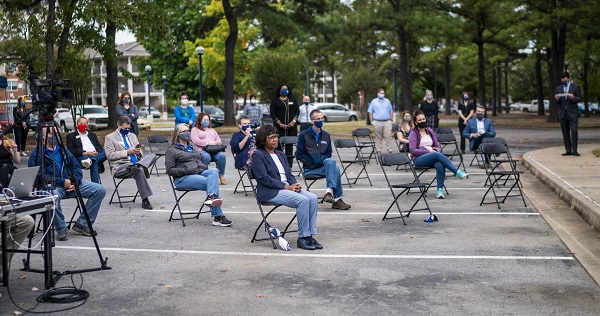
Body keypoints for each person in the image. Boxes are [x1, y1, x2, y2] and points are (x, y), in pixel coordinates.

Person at [250, 124, 321, 251]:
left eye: (276, 136)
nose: (275, 139)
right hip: (270, 192)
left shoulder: (280, 154)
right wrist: (286, 187)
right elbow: (263, 179)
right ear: (263, 139)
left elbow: (289, 174)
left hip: (287, 188)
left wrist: (295, 185)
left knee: (313, 198)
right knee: (302, 200)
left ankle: (310, 235)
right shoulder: (258, 155)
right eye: (271, 137)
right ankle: (303, 237)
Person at [28, 126, 106, 241]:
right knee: (53, 196)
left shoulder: (62, 149)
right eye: (51, 134)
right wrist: (62, 182)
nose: (55, 136)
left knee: (99, 190)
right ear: (44, 136)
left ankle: (83, 224)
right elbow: (38, 174)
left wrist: (74, 181)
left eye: (57, 133)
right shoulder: (38, 153)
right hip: (53, 186)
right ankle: (61, 228)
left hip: (71, 184)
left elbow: (76, 166)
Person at [165, 123, 232, 227]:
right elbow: (169, 170)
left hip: (199, 172)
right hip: (182, 178)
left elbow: (202, 161)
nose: (187, 133)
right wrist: (185, 170)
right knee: (210, 182)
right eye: (184, 131)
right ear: (178, 134)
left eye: (188, 130)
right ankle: (218, 216)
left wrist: (202, 167)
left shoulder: (193, 146)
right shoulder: (172, 150)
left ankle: (211, 197)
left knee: (214, 171)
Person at [296, 109, 351, 210]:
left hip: (324, 167)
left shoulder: (326, 135)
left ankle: (329, 193)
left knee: (330, 162)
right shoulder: (303, 135)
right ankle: (336, 199)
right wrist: (312, 162)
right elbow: (299, 154)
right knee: (336, 169)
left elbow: (328, 153)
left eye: (322, 118)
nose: (321, 120)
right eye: (318, 119)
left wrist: (321, 160)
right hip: (310, 169)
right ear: (312, 121)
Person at [409, 111, 468, 199]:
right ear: (416, 122)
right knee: (436, 155)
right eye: (420, 120)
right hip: (419, 159)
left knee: (440, 164)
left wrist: (436, 149)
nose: (422, 121)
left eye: (423, 119)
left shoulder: (430, 131)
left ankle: (440, 191)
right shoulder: (413, 133)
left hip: (432, 156)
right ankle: (456, 172)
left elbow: (437, 145)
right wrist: (428, 152)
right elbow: (412, 150)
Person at [105, 116, 157, 210]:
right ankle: (145, 200)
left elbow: (140, 152)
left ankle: (138, 165)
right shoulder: (110, 137)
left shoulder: (132, 136)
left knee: (152, 156)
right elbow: (109, 155)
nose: (127, 130)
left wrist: (138, 152)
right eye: (125, 128)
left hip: (136, 162)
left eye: (129, 128)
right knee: (139, 170)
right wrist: (127, 152)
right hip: (121, 166)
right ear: (118, 125)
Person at [66, 117, 107, 184]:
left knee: (107, 152)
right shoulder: (71, 136)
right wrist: (85, 153)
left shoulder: (92, 135)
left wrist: (97, 152)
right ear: (77, 124)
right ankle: (96, 184)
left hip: (95, 155)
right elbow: (70, 150)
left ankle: (92, 160)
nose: (83, 125)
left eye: (85, 123)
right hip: (83, 157)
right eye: (81, 123)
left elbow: (99, 147)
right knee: (94, 162)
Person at [191, 112, 227, 185]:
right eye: (204, 120)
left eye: (207, 120)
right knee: (206, 156)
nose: (206, 121)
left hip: (213, 150)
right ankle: (204, 175)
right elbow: (195, 140)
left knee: (221, 156)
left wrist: (215, 143)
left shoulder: (212, 130)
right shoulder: (195, 129)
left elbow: (219, 140)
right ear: (200, 121)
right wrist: (207, 143)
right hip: (202, 149)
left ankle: (221, 175)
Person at [270, 84, 299, 166]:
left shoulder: (293, 100)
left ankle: (289, 165)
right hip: (279, 127)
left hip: (291, 127)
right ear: (279, 90)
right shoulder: (275, 101)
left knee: (289, 146)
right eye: (283, 89)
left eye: (286, 89)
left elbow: (297, 112)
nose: (285, 90)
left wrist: (293, 121)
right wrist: (279, 123)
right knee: (278, 144)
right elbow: (272, 113)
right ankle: (280, 164)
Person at [555, 71, 582, 156]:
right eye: (562, 78)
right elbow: (557, 103)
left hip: (573, 113)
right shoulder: (558, 88)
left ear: (568, 78)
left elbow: (580, 98)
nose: (563, 80)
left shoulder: (575, 87)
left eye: (564, 78)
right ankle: (568, 150)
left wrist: (573, 97)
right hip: (563, 113)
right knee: (565, 132)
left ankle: (575, 150)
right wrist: (557, 99)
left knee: (574, 131)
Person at [368, 88, 394, 154]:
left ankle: (389, 148)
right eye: (380, 93)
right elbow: (370, 111)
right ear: (377, 94)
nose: (382, 94)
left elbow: (391, 110)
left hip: (387, 121)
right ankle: (378, 149)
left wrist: (391, 119)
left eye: (383, 93)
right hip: (377, 121)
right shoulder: (374, 102)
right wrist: (371, 121)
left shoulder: (387, 101)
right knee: (378, 136)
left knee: (388, 135)